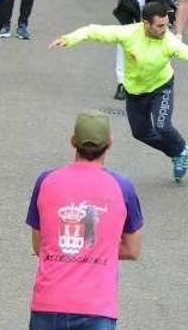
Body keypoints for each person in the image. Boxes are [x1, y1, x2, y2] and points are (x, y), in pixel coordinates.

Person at [49, 2, 188, 182]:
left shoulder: (170, 43)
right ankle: (176, 152)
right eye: (160, 25)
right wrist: (68, 39)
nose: (165, 29)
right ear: (146, 24)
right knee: (140, 133)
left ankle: (181, 150)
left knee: (163, 126)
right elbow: (93, 30)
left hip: (161, 87)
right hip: (135, 92)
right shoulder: (128, 33)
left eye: (167, 23)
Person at [26, 110, 143, 330]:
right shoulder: (122, 186)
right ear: (109, 143)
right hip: (97, 309)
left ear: (73, 142)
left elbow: (39, 244)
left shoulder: (46, 180)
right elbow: (132, 249)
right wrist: (97, 247)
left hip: (48, 304)